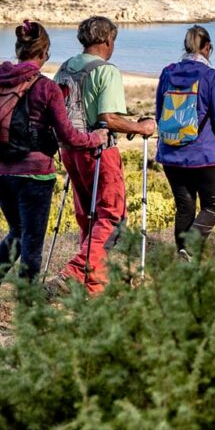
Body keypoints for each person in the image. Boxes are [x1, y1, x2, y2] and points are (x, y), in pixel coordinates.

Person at [0, 21, 108, 320]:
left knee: (17, 230)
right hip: (34, 172)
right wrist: (94, 138)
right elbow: (68, 136)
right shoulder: (45, 87)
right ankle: (29, 306)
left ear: (18, 50)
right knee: (32, 239)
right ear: (45, 52)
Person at [51, 15, 155, 295]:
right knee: (112, 217)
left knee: (88, 217)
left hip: (70, 149)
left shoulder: (64, 68)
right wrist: (141, 127)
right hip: (98, 152)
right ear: (108, 40)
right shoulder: (106, 71)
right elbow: (108, 118)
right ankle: (74, 272)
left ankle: (94, 286)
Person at [153, 25, 215, 257]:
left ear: (186, 46)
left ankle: (183, 259)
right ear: (207, 48)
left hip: (171, 154)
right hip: (205, 155)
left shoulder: (167, 73)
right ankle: (189, 249)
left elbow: (160, 113)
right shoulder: (212, 77)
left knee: (185, 208)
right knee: (212, 206)